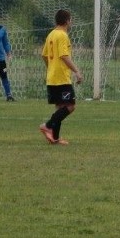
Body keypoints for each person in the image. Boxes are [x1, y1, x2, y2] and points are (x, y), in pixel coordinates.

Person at [39, 9, 83, 145]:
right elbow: (64, 56)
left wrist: (50, 68)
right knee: (70, 106)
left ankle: (55, 138)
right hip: (61, 77)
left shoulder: (51, 34)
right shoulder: (62, 35)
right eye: (70, 20)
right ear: (67, 21)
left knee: (60, 107)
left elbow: (44, 55)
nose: (71, 22)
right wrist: (77, 71)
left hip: (52, 77)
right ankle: (48, 125)